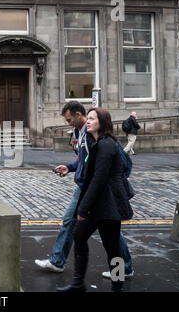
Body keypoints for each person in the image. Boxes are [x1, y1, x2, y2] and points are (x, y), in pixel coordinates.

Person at [35, 102, 134, 280]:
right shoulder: (87, 137)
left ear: (102, 122)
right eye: (88, 118)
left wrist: (84, 206)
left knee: (109, 236)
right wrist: (70, 168)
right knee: (84, 236)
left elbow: (106, 174)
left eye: (91, 118)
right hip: (92, 191)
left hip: (102, 195)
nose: (88, 121)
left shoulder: (107, 144)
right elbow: (85, 162)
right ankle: (78, 279)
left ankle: (120, 274)